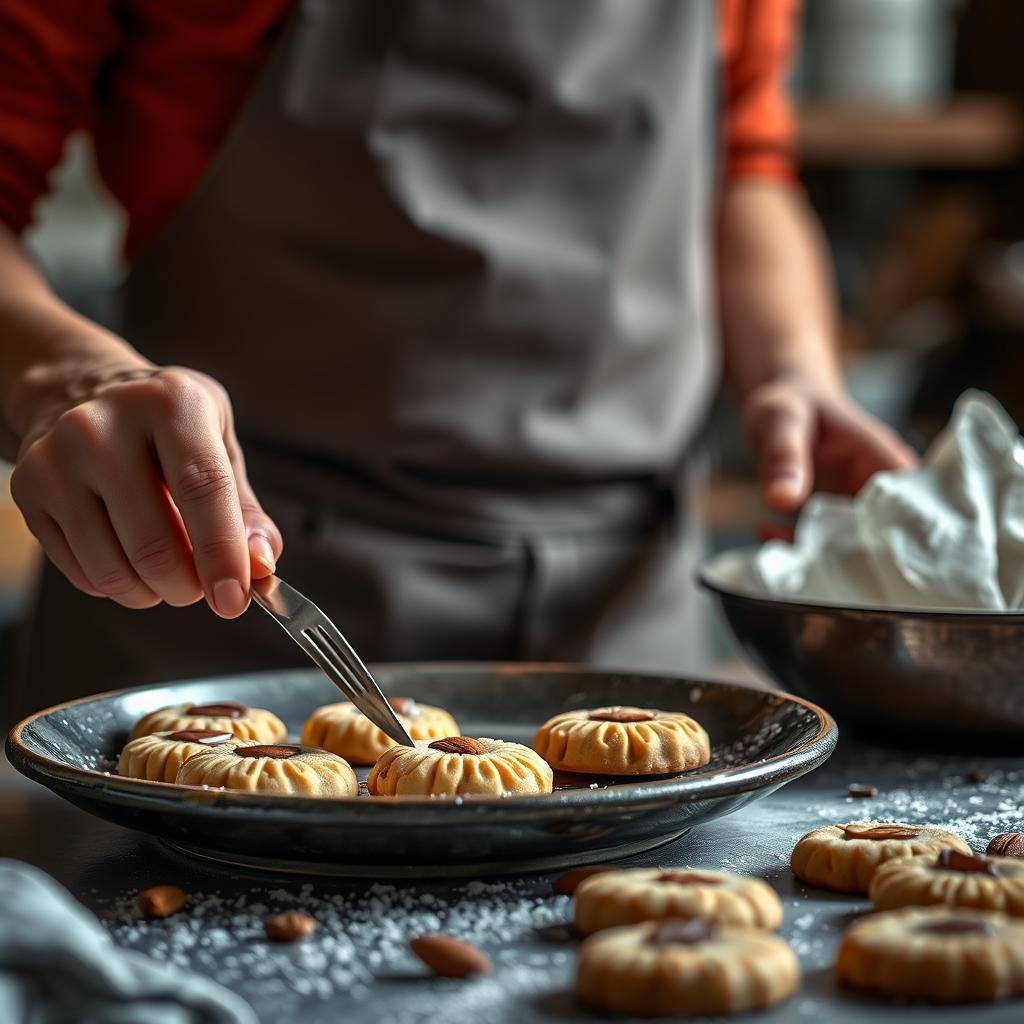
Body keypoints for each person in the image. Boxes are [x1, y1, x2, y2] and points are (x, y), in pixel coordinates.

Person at [0, 0, 915, 717]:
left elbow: (746, 163)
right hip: (222, 592)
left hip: (625, 604)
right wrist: (65, 375)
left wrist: (795, 368)